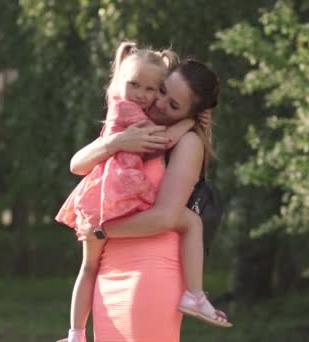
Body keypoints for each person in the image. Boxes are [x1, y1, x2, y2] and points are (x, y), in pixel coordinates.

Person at [56, 43, 229, 342]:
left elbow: (164, 217)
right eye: (162, 91)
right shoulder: (133, 127)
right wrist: (118, 142)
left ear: (191, 114)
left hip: (149, 273)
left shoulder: (185, 143)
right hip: (109, 272)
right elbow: (77, 164)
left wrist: (100, 230)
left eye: (174, 105)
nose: (160, 103)